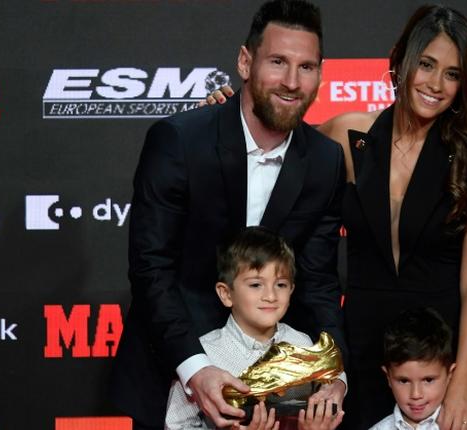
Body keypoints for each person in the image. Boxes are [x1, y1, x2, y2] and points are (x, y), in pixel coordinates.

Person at [207, 5, 467, 429]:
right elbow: (272, 142)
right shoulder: (347, 137)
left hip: (445, 364)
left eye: (452, 74)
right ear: (400, 60)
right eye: (426, 65)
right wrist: (229, 111)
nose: (436, 84)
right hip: (365, 362)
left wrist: (463, 383)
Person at [109, 1, 347, 428]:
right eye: (277, 62)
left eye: (306, 67)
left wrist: (335, 373)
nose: (292, 82)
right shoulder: (179, 142)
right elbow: (151, 267)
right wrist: (195, 369)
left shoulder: (325, 161)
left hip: (267, 395)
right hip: (170, 369)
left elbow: (321, 283)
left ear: (320, 75)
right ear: (244, 61)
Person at [165, 226, 345, 430]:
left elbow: (326, 398)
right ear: (226, 294)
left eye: (281, 285)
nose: (270, 295)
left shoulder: (302, 344)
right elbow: (176, 424)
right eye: (255, 285)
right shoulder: (203, 356)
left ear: (292, 289)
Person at [370, 307, 467, 430]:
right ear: (388, 377)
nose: (416, 394)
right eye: (404, 381)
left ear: (450, 374)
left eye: (428, 380)